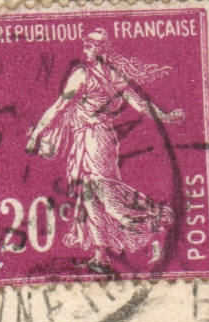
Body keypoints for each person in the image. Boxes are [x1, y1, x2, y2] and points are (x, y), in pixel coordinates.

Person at [24, 26, 185, 271]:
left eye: (89, 46)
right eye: (85, 45)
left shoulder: (83, 74)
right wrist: (166, 116)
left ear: (100, 50)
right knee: (90, 196)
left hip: (95, 140)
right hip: (91, 139)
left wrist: (37, 134)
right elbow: (141, 105)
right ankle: (100, 256)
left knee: (106, 194)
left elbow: (58, 107)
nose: (85, 50)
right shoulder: (114, 76)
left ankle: (154, 228)